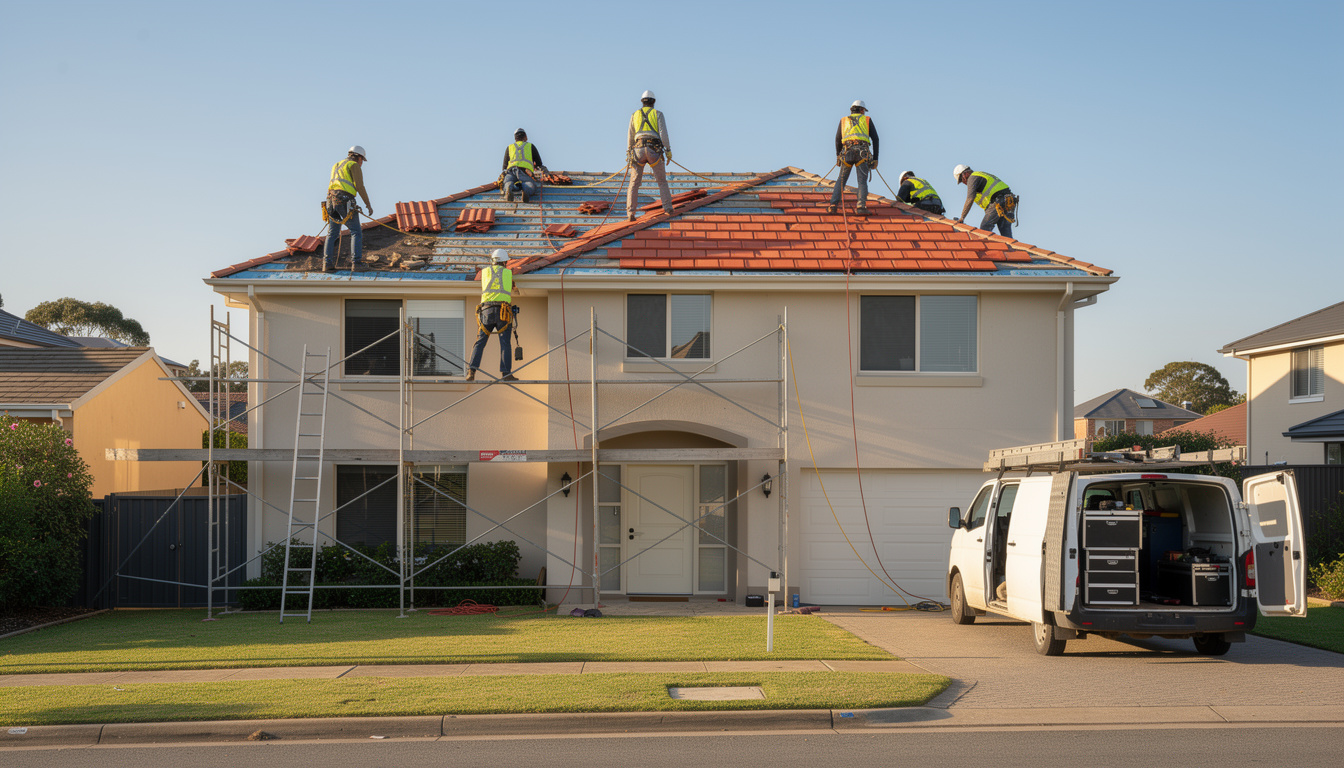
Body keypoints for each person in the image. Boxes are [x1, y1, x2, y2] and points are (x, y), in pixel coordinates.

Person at [467, 249, 518, 382]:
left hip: (487, 311)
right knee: (505, 343)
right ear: (505, 262)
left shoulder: (484, 272)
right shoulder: (508, 273)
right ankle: (506, 374)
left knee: (480, 342)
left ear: (492, 261)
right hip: (503, 312)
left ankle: (471, 371)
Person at [626, 90, 673, 221]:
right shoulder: (658, 114)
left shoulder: (634, 115)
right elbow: (663, 134)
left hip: (638, 150)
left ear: (642, 102)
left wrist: (629, 152)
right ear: (654, 102)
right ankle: (668, 208)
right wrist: (668, 151)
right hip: (654, 149)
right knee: (662, 181)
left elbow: (630, 135)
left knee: (634, 183)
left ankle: (631, 213)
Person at [324, 146, 373, 272]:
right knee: (356, 231)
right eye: (362, 160)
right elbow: (359, 186)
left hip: (331, 201)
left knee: (332, 233)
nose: (362, 163)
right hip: (344, 200)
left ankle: (327, 263)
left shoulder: (336, 165)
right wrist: (368, 204)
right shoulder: (353, 165)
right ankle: (356, 263)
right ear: (359, 157)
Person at [829, 100, 879, 216]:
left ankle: (833, 205)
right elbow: (875, 139)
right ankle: (861, 206)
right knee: (862, 181)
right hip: (862, 154)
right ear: (861, 110)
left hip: (847, 153)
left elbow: (837, 139)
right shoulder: (866, 120)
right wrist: (876, 158)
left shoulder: (844, 120)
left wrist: (838, 155)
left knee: (841, 180)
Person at [953, 164, 1017, 237]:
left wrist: (962, 217)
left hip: (998, 201)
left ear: (965, 174)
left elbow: (970, 198)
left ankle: (983, 244)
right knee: (1005, 231)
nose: (963, 182)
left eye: (961, 180)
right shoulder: (980, 175)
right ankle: (1009, 244)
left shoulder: (972, 178)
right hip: (1009, 200)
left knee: (984, 229)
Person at [501, 129, 546, 203]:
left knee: (507, 182)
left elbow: (504, 166)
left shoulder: (509, 147)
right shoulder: (530, 146)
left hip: (511, 171)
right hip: (524, 171)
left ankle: (509, 187)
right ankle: (526, 191)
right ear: (525, 137)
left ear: (515, 138)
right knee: (530, 184)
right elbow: (539, 163)